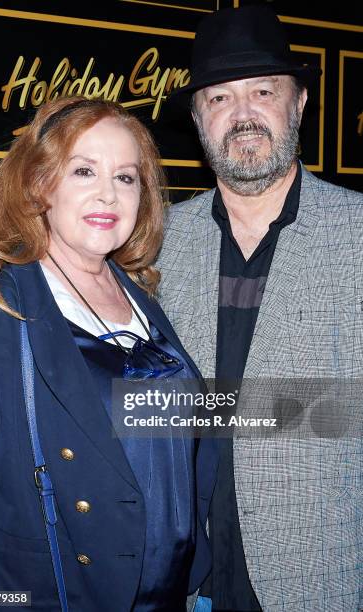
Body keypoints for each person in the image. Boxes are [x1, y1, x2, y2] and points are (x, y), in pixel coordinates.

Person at [0, 96, 218, 611]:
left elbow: (156, 424)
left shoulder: (142, 299)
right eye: (83, 171)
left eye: (126, 177)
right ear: (38, 183)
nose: (108, 194)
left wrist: (318, 412)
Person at [157, 4, 363, 612]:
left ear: (299, 103)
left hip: (321, 578)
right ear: (198, 118)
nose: (242, 114)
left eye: (262, 92)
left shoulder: (357, 233)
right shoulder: (158, 241)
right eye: (219, 98)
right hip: (186, 583)